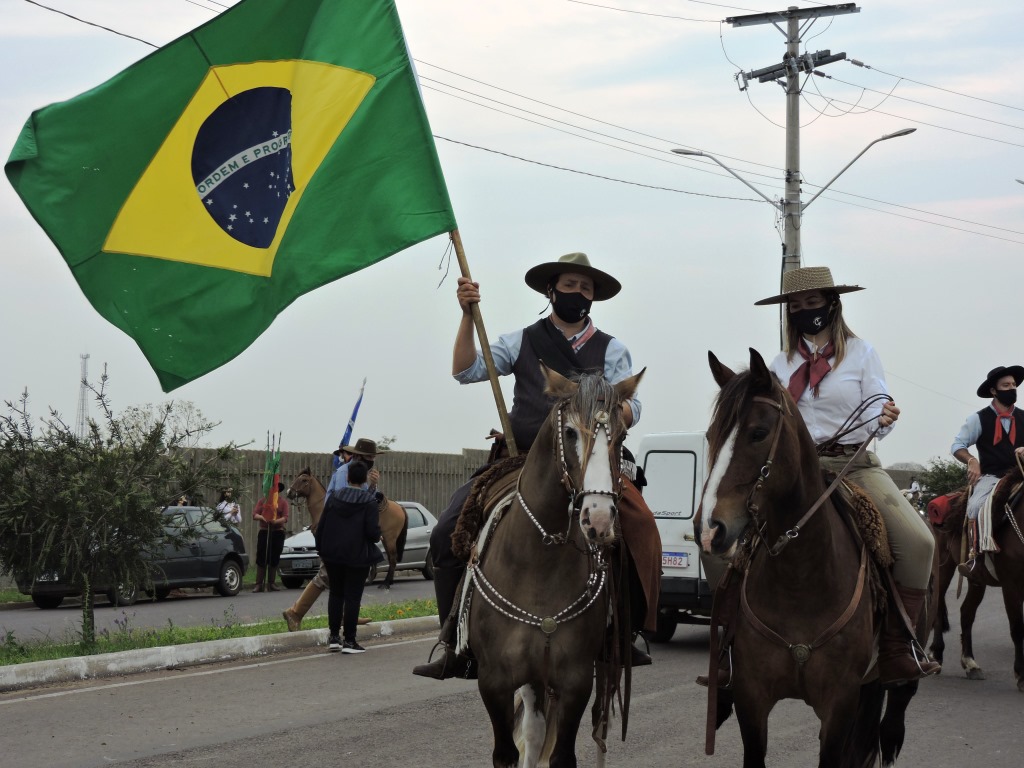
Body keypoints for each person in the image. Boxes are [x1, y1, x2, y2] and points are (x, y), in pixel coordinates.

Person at [412, 251, 661, 680]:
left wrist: (608, 415)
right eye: (570, 285)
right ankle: (454, 640)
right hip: (522, 460)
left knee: (641, 529)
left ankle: (625, 631)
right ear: (552, 290)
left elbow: (633, 406)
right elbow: (465, 370)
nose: (578, 293)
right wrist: (468, 316)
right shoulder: (521, 340)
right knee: (444, 533)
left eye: (586, 288)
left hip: (593, 461)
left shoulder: (612, 348)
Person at [700, 266, 939, 688]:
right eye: (796, 306)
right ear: (788, 313)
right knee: (717, 540)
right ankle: (729, 649)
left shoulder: (863, 354)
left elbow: (878, 406)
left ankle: (899, 648)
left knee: (919, 543)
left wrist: (884, 419)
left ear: (832, 304)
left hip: (854, 465)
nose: (805, 311)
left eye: (813, 303)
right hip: (795, 471)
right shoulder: (777, 365)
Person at [282, 438, 379, 631]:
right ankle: (296, 612)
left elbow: (362, 501)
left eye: (373, 457)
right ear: (359, 456)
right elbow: (349, 503)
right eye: (369, 457)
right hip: (339, 531)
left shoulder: (360, 474)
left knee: (341, 575)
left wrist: (373, 487)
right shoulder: (345, 473)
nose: (371, 461)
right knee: (327, 574)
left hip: (344, 532)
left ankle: (347, 615)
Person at [951, 365, 1024, 576]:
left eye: (1013, 385)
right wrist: (972, 460)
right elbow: (957, 445)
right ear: (994, 390)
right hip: (993, 477)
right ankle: (977, 559)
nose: (1012, 389)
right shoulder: (978, 418)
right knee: (975, 507)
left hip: (1021, 474)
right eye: (1005, 385)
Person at [315, 459, 383, 653]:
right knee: (353, 597)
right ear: (364, 481)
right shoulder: (369, 502)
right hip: (358, 556)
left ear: (347, 477)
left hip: (333, 555)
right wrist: (378, 535)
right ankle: (350, 641)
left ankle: (334, 637)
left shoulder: (335, 498)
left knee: (336, 593)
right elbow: (372, 533)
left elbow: (322, 525)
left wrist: (321, 549)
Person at [252, 481, 289, 593]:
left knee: (274, 557)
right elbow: (254, 514)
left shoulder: (283, 502)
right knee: (262, 556)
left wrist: (276, 521)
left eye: (275, 489)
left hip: (277, 532)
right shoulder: (262, 501)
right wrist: (262, 518)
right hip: (264, 531)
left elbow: (285, 517)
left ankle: (271, 583)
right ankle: (258, 584)